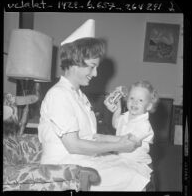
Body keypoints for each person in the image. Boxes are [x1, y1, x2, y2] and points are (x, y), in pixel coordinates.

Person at [38, 19, 147, 191]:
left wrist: (120, 139)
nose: (95, 73)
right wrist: (119, 146)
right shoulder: (58, 95)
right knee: (135, 178)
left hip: (81, 159)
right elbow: (74, 145)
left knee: (135, 168)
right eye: (92, 67)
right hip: (64, 167)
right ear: (74, 62)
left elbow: (91, 136)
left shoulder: (78, 95)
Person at [94, 80, 159, 190]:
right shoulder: (126, 116)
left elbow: (125, 140)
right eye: (132, 98)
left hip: (138, 164)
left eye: (140, 100)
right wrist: (117, 110)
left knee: (136, 186)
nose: (134, 103)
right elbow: (116, 124)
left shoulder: (144, 125)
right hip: (124, 160)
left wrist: (103, 138)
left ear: (148, 106)